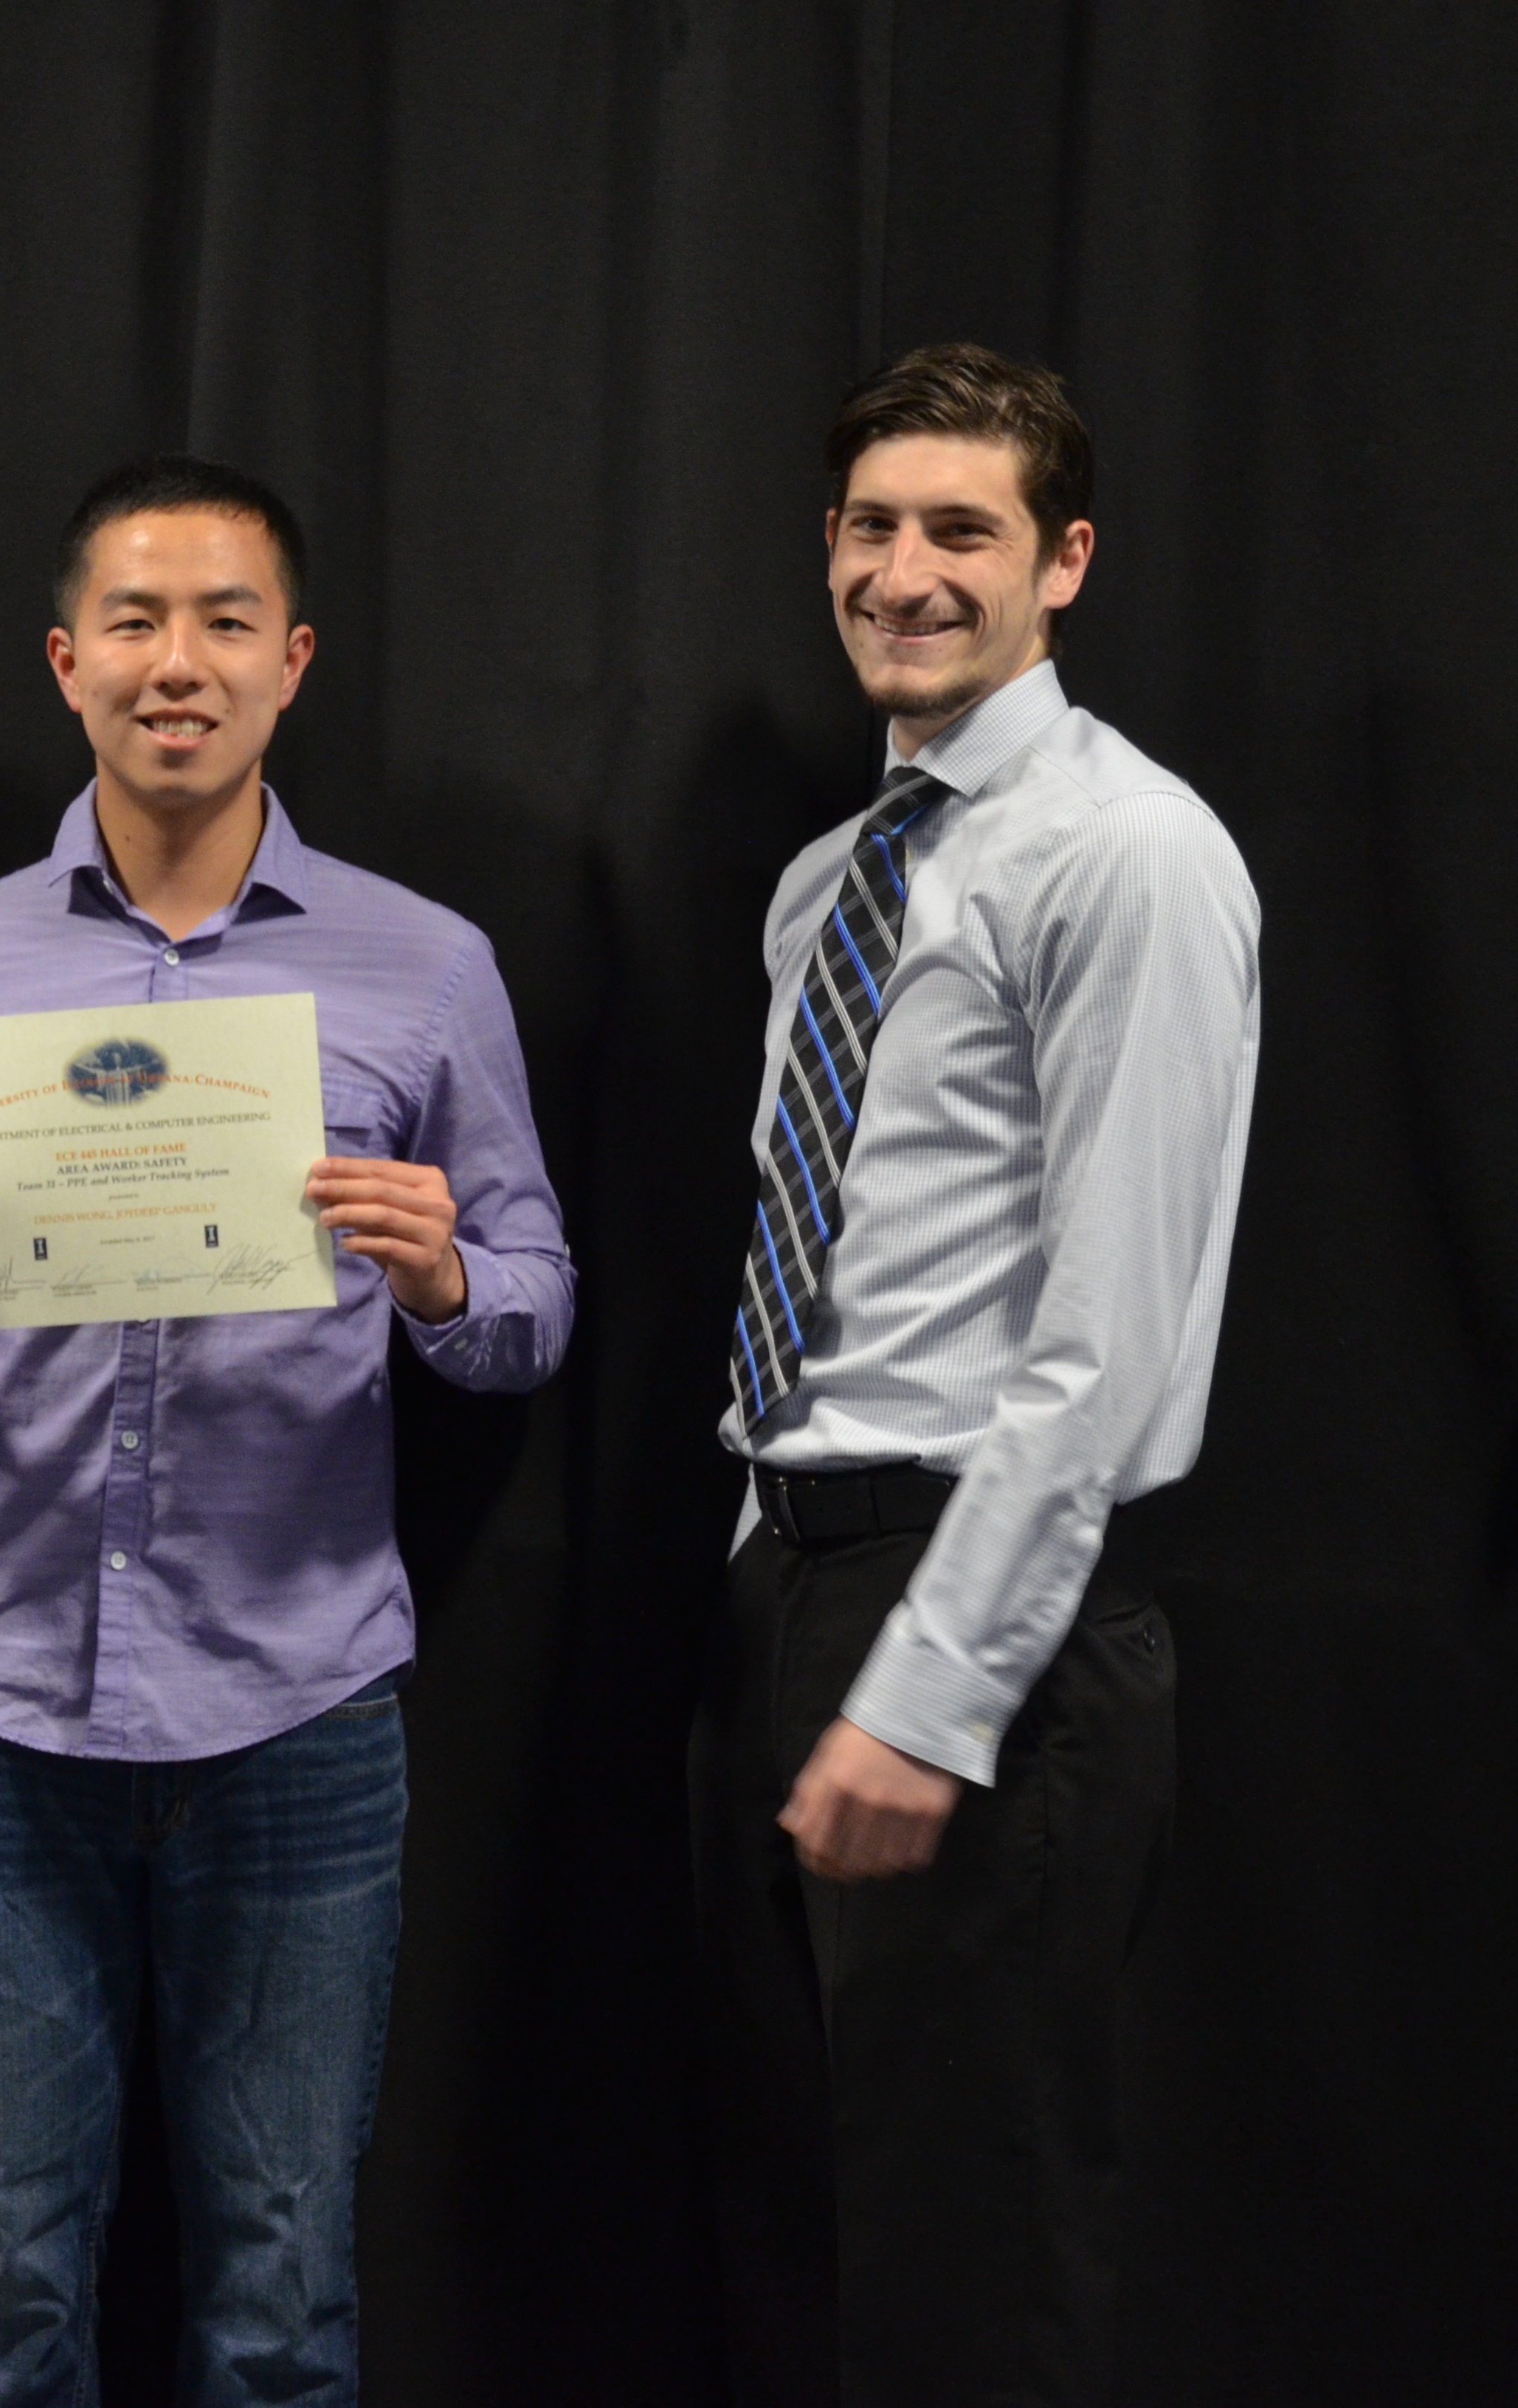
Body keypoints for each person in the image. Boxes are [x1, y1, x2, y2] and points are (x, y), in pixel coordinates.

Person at [0, 454, 575, 2405]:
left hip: (302, 1722)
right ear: (67, 664)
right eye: (137, 624)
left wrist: (441, 1281)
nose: (182, 662)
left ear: (295, 662)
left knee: (281, 2304)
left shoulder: (427, 964)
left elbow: (535, 1312)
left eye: (227, 621)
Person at [694, 344, 1261, 2407]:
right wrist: (774, 1574)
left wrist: (931, 1698)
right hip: (795, 1580)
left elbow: (1111, 1343)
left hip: (978, 1618)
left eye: (964, 529)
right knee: (804, 2237)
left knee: (973, 2268)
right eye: (872, 524)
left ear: (1066, 561)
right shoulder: (829, 886)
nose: (907, 571)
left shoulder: (1127, 854)